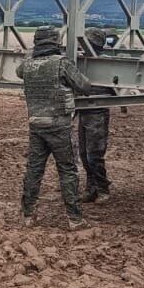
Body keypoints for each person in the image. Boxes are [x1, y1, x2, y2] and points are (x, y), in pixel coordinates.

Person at [16, 26, 98, 229]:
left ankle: (28, 214)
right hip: (59, 125)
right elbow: (85, 87)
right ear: (56, 42)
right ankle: (74, 218)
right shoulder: (62, 64)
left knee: (34, 170)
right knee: (68, 170)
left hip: (36, 125)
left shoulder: (27, 66)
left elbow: (20, 70)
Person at [77, 29, 116, 203]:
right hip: (83, 111)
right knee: (84, 154)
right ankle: (91, 187)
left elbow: (118, 89)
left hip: (98, 113)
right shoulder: (80, 59)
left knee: (94, 154)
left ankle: (102, 188)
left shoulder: (106, 62)